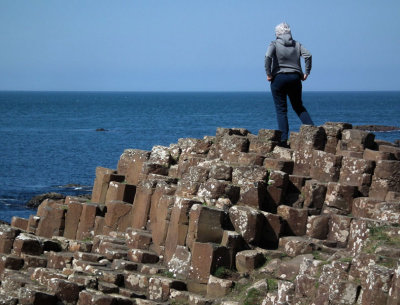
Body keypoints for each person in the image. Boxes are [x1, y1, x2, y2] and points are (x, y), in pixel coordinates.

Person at [265, 22, 314, 147]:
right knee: (298, 106)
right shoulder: (297, 44)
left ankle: (283, 140)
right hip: (294, 78)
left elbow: (267, 57)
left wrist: (269, 73)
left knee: (281, 110)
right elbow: (308, 55)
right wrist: (306, 73)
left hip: (279, 78)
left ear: (277, 34)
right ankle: (313, 133)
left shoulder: (274, 44)